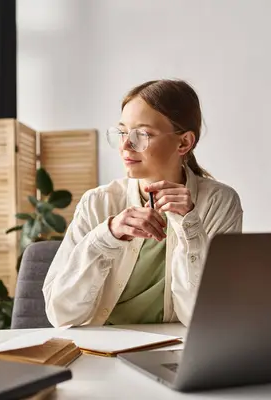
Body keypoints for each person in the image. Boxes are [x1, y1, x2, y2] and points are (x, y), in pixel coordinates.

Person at [42, 79, 243, 328]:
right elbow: (60, 313)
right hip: (103, 348)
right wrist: (107, 236)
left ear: (184, 143)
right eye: (123, 132)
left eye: (142, 134)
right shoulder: (97, 203)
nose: (125, 145)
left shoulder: (218, 202)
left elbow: (203, 318)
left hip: (175, 349)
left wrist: (189, 225)